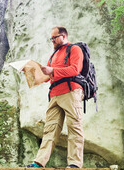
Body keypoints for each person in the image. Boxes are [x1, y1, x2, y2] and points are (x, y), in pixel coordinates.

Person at [27, 26, 84, 168]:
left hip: (71, 92)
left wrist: (52, 70)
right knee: (50, 129)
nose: (52, 41)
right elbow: (47, 76)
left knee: (74, 127)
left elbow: (75, 69)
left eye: (54, 38)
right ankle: (39, 163)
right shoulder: (53, 55)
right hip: (54, 95)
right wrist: (31, 72)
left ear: (63, 36)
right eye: (51, 38)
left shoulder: (74, 49)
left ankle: (74, 164)